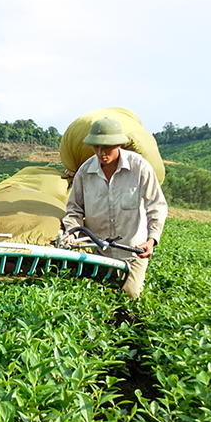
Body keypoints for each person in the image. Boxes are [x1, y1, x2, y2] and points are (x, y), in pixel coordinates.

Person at [62, 117, 168, 299]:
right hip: (98, 250)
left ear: (119, 144)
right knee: (98, 296)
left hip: (133, 250)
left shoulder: (139, 168)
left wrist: (151, 240)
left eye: (107, 147)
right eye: (97, 147)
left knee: (130, 293)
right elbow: (74, 209)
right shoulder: (85, 172)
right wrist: (72, 232)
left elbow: (156, 206)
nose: (102, 152)